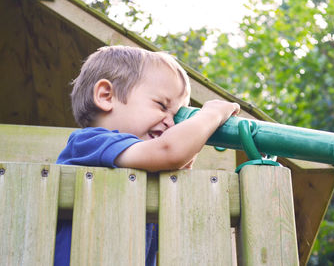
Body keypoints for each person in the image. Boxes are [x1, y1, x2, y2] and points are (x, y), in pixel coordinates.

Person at [54, 45, 240, 266]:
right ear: (106, 96)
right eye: (162, 106)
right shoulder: (88, 144)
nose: (171, 122)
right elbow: (169, 151)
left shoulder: (144, 176)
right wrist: (211, 114)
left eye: (177, 116)